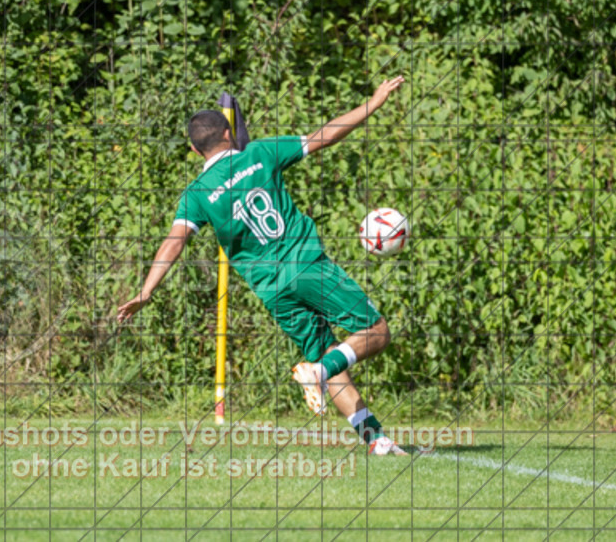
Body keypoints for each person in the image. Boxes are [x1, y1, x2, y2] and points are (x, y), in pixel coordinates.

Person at [116, 76, 406, 455]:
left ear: (193, 148)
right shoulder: (259, 153)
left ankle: (377, 441)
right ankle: (318, 373)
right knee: (376, 331)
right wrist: (373, 103)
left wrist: (146, 290)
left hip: (273, 291)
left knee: (326, 357)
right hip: (306, 266)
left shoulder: (196, 194)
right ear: (228, 131)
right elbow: (325, 135)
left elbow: (174, 241)